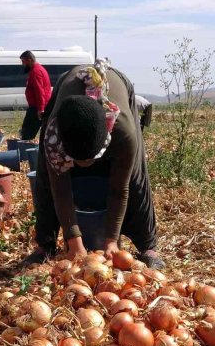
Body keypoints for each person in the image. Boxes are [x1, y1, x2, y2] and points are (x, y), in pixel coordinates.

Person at [23, 61, 165, 269]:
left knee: (136, 173)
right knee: (45, 170)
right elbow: (60, 189)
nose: (84, 165)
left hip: (119, 84)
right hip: (67, 84)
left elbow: (119, 189)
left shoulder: (122, 131)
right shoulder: (55, 136)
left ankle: (148, 246)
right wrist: (74, 241)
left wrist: (111, 241)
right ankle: (45, 244)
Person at [19, 51, 51, 140]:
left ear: (29, 60)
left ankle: (25, 151)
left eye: (23, 61)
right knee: (30, 131)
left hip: (37, 107)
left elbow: (39, 91)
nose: (23, 64)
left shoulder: (36, 71)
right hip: (38, 106)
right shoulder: (38, 69)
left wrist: (41, 109)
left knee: (27, 133)